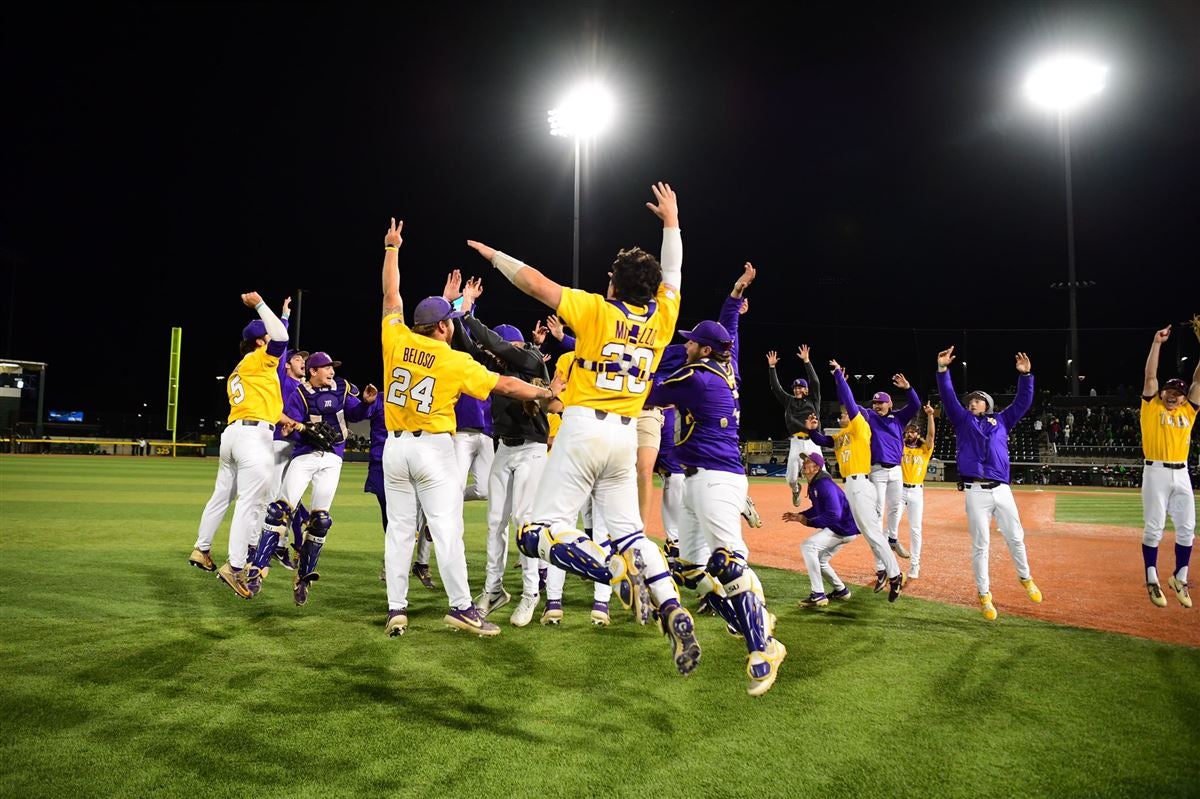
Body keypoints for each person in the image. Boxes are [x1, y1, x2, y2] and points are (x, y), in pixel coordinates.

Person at [466, 181, 701, 675]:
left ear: (614, 283)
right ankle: (669, 605)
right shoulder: (663, 317)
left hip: (581, 430)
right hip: (625, 433)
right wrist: (672, 223)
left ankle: (617, 574)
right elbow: (674, 271)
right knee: (632, 533)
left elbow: (535, 283)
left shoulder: (595, 309)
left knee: (536, 532)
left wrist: (494, 256)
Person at [379, 218, 563, 638]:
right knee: (447, 529)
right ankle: (462, 607)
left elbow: (392, 294)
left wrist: (392, 249)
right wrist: (543, 392)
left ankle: (396, 609)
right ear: (444, 327)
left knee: (402, 532)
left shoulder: (395, 338)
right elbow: (506, 383)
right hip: (433, 450)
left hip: (395, 448)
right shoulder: (453, 360)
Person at [648, 316, 786, 696]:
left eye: (692, 343)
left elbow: (649, 393)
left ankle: (764, 647)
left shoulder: (698, 378)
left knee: (725, 562)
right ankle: (752, 620)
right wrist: (735, 303)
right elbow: (731, 336)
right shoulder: (724, 371)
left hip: (715, 477)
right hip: (697, 478)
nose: (686, 347)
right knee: (688, 567)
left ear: (705, 350)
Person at [455, 276, 554, 628]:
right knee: (495, 521)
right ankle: (493, 589)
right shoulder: (496, 366)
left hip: (531, 450)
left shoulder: (529, 359)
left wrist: (469, 314)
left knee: (521, 522)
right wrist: (458, 307)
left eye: (501, 347)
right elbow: (466, 346)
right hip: (503, 449)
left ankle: (530, 594)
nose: (495, 353)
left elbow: (492, 342)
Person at [246, 351, 376, 604]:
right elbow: (290, 426)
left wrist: (366, 403)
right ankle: (257, 570)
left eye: (333, 367)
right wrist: (296, 432)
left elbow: (356, 414)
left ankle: (303, 576)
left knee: (321, 520)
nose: (332, 372)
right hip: (305, 455)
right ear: (313, 371)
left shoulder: (342, 388)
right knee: (279, 510)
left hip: (333, 457)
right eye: (326, 368)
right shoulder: (300, 395)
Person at [191, 292, 291, 598]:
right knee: (250, 504)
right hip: (253, 438)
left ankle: (201, 548)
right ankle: (234, 567)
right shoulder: (260, 359)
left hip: (233, 434)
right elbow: (282, 338)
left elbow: (268, 403)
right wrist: (261, 305)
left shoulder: (239, 369)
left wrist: (283, 315)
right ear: (261, 340)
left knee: (222, 496)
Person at [936, 346, 1042, 620]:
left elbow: (1022, 403)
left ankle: (1026, 578)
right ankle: (984, 596)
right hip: (975, 491)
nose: (972, 403)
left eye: (978, 400)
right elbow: (948, 398)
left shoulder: (1002, 420)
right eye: (970, 400)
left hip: (1002, 489)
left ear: (989, 405)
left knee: (1015, 537)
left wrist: (1026, 376)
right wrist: (943, 370)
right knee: (981, 544)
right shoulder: (962, 421)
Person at [804, 361, 905, 601]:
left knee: (872, 532)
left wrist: (839, 377)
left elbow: (849, 402)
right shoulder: (841, 436)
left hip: (861, 484)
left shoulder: (860, 428)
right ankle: (889, 573)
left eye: (844, 414)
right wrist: (810, 431)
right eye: (841, 414)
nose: (842, 415)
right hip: (850, 486)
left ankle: (894, 574)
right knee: (867, 532)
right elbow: (822, 440)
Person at [1139, 325, 1199, 609]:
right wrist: (1156, 343)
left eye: (1178, 391)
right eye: (1168, 390)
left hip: (1182, 473)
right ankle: (1151, 578)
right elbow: (1150, 375)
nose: (1172, 394)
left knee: (1188, 529)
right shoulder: (1152, 408)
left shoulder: (1189, 411)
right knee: (1153, 529)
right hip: (1156, 472)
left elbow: (1198, 381)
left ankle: (1180, 576)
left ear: (1186, 397)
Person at [782, 452, 857, 607]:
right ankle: (841, 590)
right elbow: (818, 509)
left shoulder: (824, 485)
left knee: (808, 546)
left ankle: (818, 594)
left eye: (807, 461)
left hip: (842, 528)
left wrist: (808, 522)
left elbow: (833, 515)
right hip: (842, 528)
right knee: (821, 560)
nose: (804, 463)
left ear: (816, 467)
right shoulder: (816, 484)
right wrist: (800, 515)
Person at [860, 376, 922, 563]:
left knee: (896, 507)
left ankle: (892, 539)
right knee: (878, 510)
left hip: (896, 470)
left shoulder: (899, 418)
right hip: (877, 470)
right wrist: (841, 381)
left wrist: (909, 388)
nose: (878, 405)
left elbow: (915, 405)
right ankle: (880, 555)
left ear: (890, 404)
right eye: (875, 402)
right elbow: (850, 404)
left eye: (881, 402)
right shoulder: (869, 416)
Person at [766, 345, 820, 507]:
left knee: (820, 473)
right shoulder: (789, 401)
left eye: (800, 387)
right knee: (791, 478)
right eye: (796, 387)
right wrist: (772, 368)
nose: (797, 389)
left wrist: (806, 361)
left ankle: (819, 499)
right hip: (796, 442)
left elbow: (815, 381)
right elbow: (776, 388)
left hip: (812, 441)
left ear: (806, 389)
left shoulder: (813, 400)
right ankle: (796, 489)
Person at [897, 404, 936, 579]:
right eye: (908, 432)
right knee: (891, 528)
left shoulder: (924, 450)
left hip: (916, 492)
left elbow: (931, 435)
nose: (910, 434)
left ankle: (915, 564)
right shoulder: (901, 448)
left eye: (913, 432)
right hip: (898, 490)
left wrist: (930, 416)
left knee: (915, 529)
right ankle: (884, 564)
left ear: (918, 434)